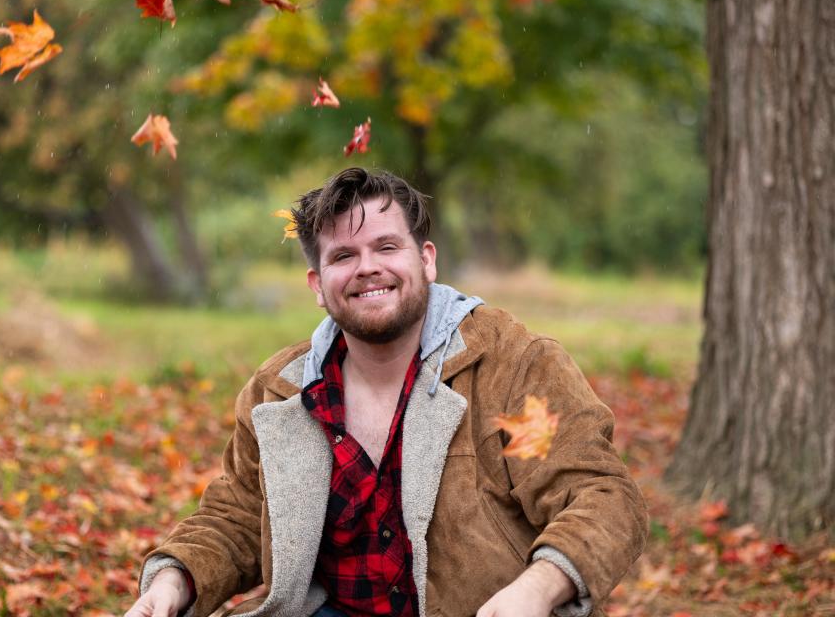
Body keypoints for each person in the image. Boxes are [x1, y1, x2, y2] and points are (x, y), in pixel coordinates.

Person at [125, 168, 647, 617]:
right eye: (343, 255)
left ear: (427, 259)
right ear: (317, 283)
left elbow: (602, 498)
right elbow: (238, 516)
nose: (368, 267)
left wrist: (536, 588)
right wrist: (175, 581)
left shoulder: (513, 366)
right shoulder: (279, 392)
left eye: (387, 246)